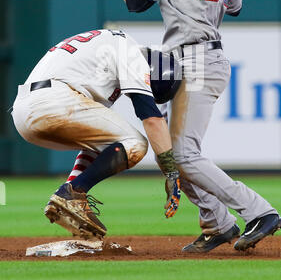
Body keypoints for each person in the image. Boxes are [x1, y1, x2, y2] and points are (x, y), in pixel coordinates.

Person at [91, 0, 281, 252]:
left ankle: (260, 211)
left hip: (194, 59)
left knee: (182, 154)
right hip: (200, 57)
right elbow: (237, 4)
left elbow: (136, 2)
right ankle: (217, 223)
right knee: (172, 152)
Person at [11, 28, 182, 239]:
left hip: (23, 112)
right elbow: (152, 119)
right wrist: (172, 173)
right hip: (53, 100)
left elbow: (97, 145)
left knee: (104, 142)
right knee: (136, 143)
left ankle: (69, 196)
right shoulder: (131, 53)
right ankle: (72, 193)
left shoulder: (106, 49)